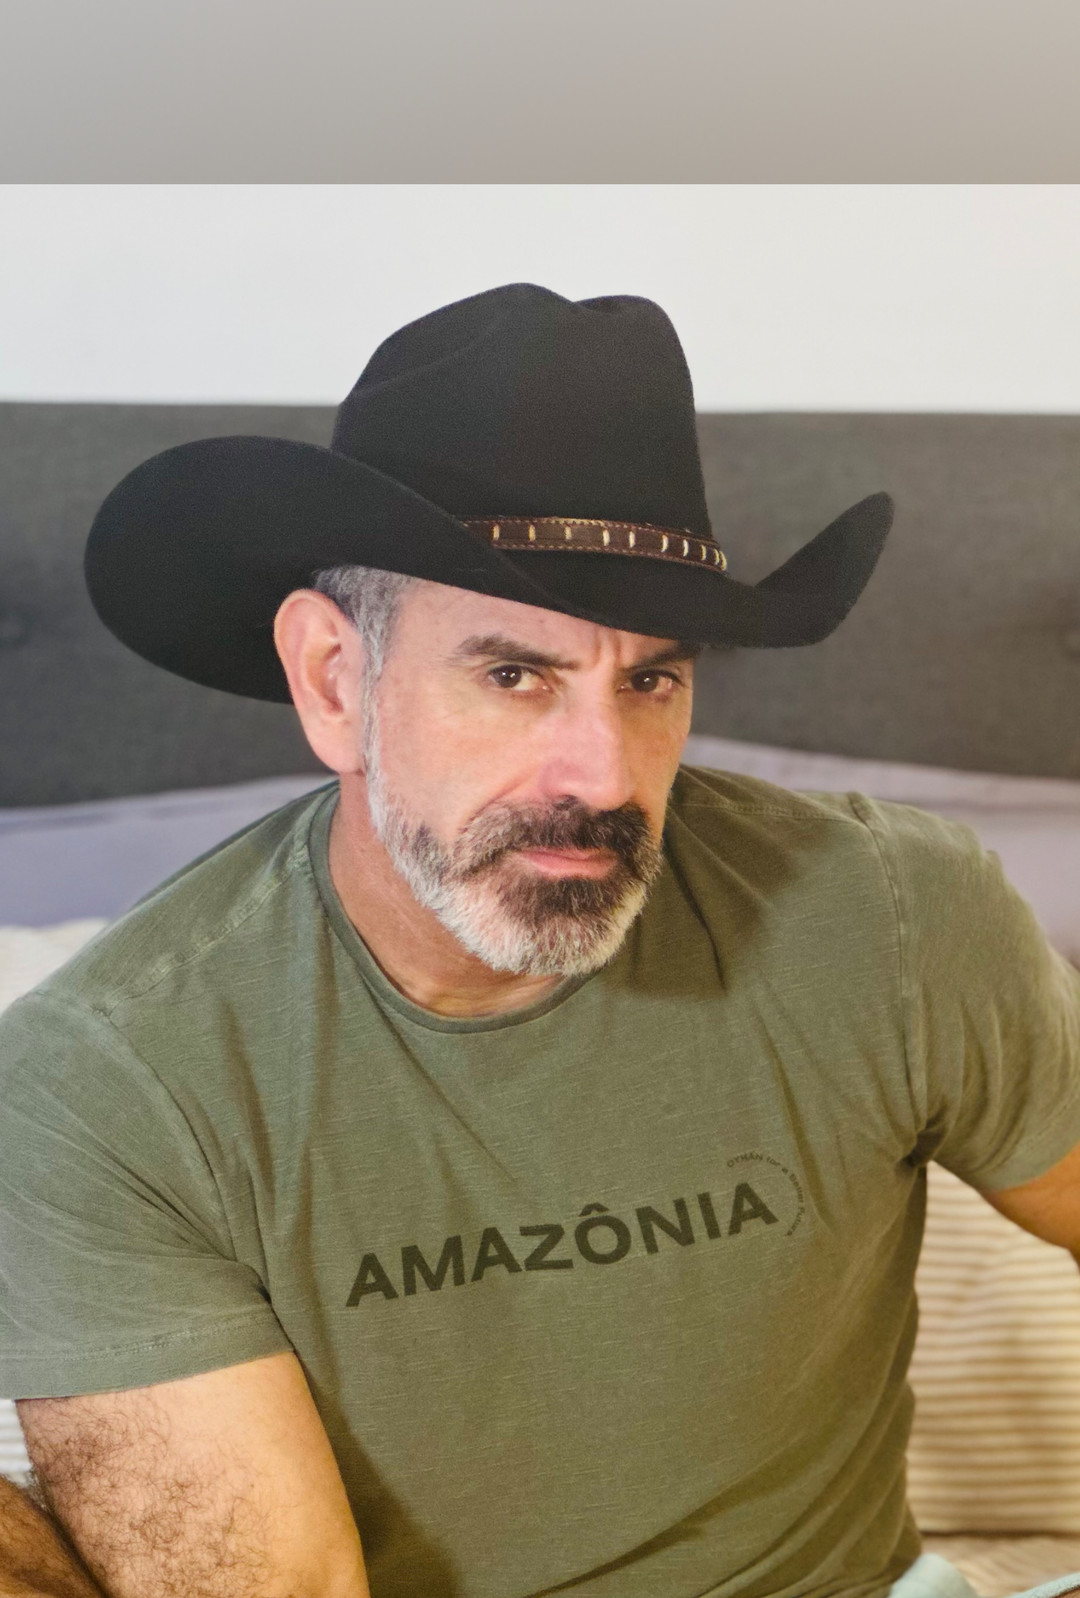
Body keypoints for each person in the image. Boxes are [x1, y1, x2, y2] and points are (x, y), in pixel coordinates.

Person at [1, 282, 1079, 1598]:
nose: (605, 776)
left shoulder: (894, 915)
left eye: (651, 679)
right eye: (514, 675)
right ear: (334, 679)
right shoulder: (107, 1086)